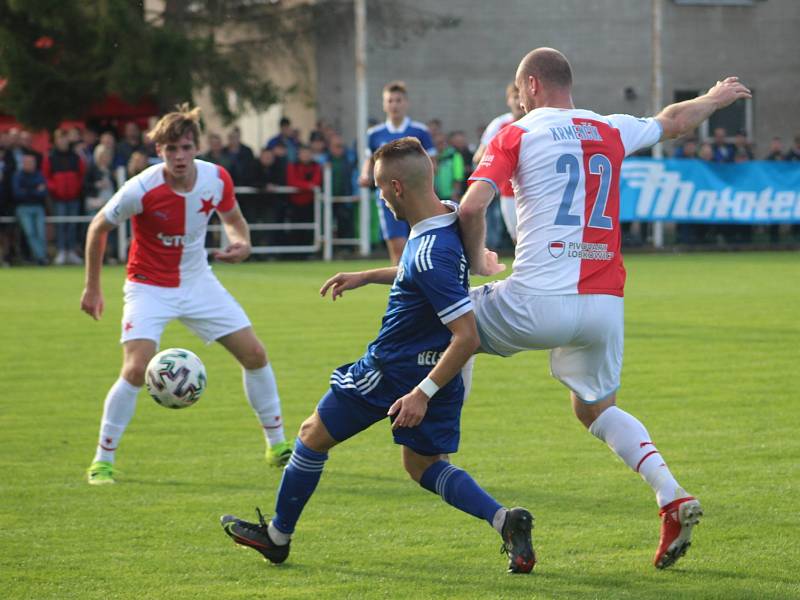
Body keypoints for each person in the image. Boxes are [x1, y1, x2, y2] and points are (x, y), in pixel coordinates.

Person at [458, 48, 751, 569]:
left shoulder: (516, 132)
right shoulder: (609, 127)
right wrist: (717, 96)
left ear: (529, 86)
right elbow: (675, 121)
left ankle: (433, 440)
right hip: (602, 305)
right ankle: (671, 495)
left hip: (536, 299)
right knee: (594, 408)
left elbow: (472, 206)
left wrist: (480, 260)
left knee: (450, 318)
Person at [220, 137, 535, 574]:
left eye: (379, 188)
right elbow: (421, 276)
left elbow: (467, 335)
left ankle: (277, 537)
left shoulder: (428, 254)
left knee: (312, 435)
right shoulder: (445, 215)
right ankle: (505, 520)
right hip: (438, 370)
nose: (380, 197)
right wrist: (367, 275)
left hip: (393, 371)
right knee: (422, 465)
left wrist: (420, 394)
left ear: (397, 188)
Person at [80, 105, 292, 485]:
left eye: (185, 147)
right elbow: (98, 227)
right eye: (170, 149)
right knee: (134, 367)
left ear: (195, 146)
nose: (178, 156)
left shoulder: (216, 178)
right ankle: (102, 460)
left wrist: (241, 243)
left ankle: (277, 446)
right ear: (158, 150)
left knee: (255, 353)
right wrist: (93, 288)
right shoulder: (141, 189)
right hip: (148, 286)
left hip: (198, 282)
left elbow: (235, 222)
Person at [358, 81, 435, 265]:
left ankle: (423, 289)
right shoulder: (375, 134)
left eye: (398, 100)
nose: (394, 104)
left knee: (423, 246)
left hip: (417, 198)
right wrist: (365, 175)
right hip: (388, 198)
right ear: (384, 105)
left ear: (406, 103)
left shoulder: (419, 131)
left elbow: (432, 162)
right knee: (398, 249)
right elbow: (370, 161)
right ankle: (401, 290)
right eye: (390, 101)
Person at [473, 82, 525, 244]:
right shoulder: (499, 124)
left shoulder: (537, 122)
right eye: (514, 97)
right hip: (509, 193)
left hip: (536, 189)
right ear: (508, 100)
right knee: (518, 239)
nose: (518, 101)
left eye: (521, 96)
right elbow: (479, 157)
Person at [43, 128, 86, 265]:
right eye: (60, 138)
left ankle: (71, 251)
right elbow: (46, 176)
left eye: (64, 138)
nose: (62, 141)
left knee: (72, 225)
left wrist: (75, 188)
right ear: (56, 141)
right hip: (58, 197)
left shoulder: (75, 157)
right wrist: (55, 189)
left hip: (73, 197)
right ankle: (61, 251)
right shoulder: (50, 157)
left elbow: (81, 174)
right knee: (61, 225)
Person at [12, 153, 49, 265]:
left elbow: (43, 192)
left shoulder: (39, 175)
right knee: (30, 234)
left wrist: (27, 190)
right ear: (23, 163)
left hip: (38, 207)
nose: (30, 164)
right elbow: (17, 194)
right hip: (23, 208)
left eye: (32, 162)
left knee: (41, 234)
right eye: (27, 162)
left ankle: (41, 257)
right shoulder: (18, 176)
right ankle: (41, 258)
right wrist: (35, 190)